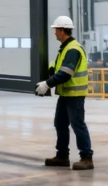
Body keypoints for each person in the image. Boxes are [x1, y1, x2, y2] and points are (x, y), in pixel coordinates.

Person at [37, 16, 93, 171]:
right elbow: (58, 67)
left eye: (56, 30)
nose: (54, 32)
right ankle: (62, 156)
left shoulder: (73, 49)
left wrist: (47, 84)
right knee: (60, 124)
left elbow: (66, 73)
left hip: (74, 95)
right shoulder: (65, 48)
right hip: (66, 94)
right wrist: (50, 70)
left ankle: (87, 157)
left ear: (61, 30)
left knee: (78, 125)